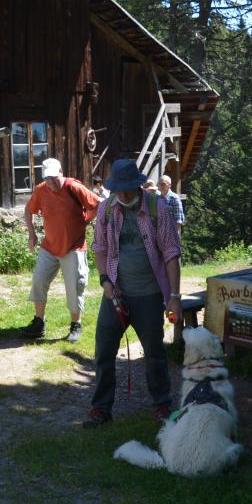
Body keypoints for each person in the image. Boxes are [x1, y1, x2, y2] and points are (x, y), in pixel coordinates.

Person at [85, 158, 182, 427]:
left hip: (149, 295)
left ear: (138, 185)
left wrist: (174, 297)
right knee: (104, 350)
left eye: (128, 188)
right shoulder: (106, 209)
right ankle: (101, 408)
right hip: (116, 294)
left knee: (154, 352)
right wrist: (105, 281)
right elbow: (100, 248)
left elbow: (172, 253)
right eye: (120, 189)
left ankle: (162, 404)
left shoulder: (157, 208)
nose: (124, 194)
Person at [20, 158, 101, 342]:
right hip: (49, 245)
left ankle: (75, 325)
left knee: (74, 286)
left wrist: (86, 219)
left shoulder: (74, 187)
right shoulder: (41, 190)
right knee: (39, 280)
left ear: (61, 172)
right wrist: (32, 235)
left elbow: (98, 205)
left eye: (54, 178)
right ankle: (39, 323)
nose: (51, 182)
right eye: (47, 179)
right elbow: (28, 210)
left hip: (74, 246)